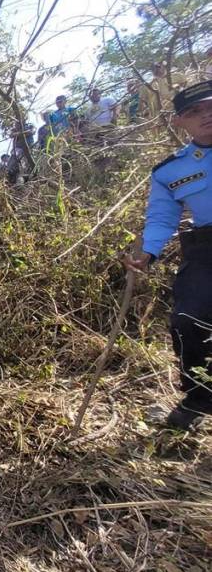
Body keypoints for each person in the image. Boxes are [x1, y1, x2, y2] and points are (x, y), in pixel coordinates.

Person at [122, 80, 212, 431]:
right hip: (205, 249)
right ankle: (199, 397)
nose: (206, 116)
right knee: (187, 320)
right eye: (195, 112)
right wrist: (148, 252)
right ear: (180, 122)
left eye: (210, 107)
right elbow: (162, 217)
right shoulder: (170, 171)